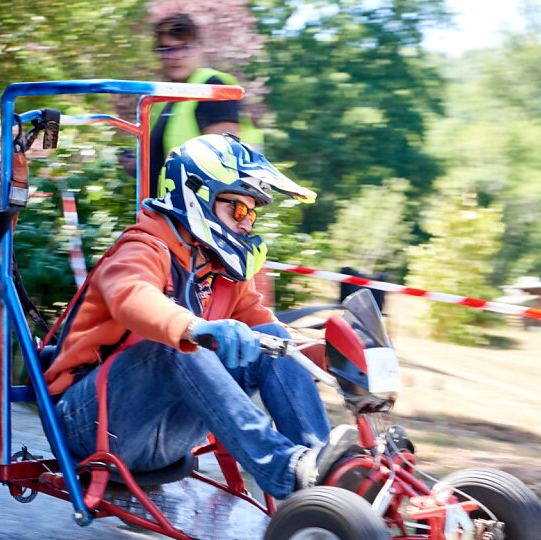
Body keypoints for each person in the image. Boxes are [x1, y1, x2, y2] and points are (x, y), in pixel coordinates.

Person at [46, 134, 355, 499]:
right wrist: (195, 327)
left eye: (251, 213)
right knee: (175, 347)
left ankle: (324, 476)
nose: (246, 224)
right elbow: (131, 297)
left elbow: (269, 334)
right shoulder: (142, 247)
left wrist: (334, 353)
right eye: (238, 209)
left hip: (164, 432)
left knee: (274, 342)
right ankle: (285, 470)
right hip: (88, 421)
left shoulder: (220, 272)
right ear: (197, 195)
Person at [119, 12, 261, 195]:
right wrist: (139, 166)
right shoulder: (166, 100)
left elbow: (223, 161)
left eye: (183, 48)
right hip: (169, 213)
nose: (175, 56)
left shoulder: (212, 87)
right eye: (166, 50)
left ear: (200, 48)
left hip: (199, 216)